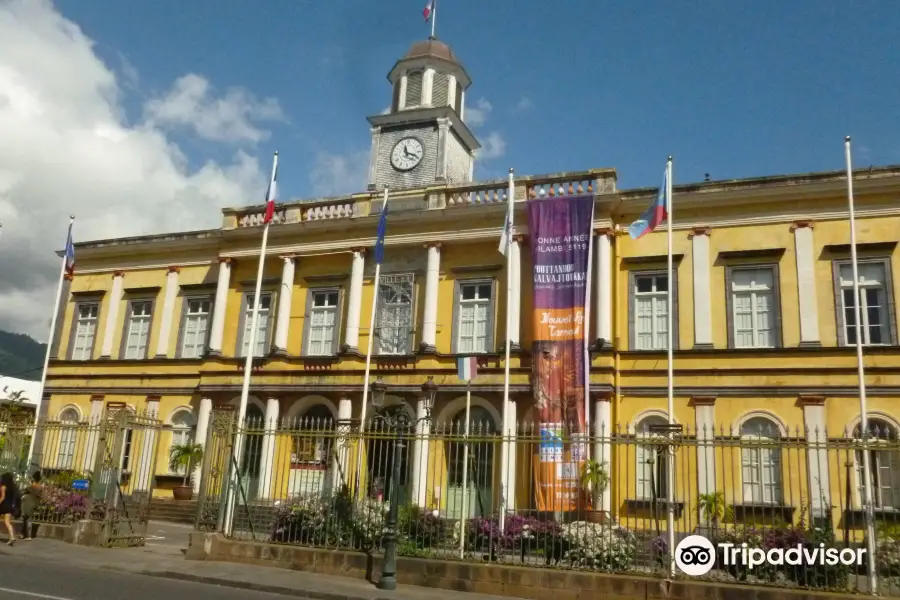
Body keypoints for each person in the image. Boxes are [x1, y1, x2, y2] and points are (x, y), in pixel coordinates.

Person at [20, 472, 42, 540]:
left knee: (27, 519)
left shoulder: (33, 486)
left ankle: (28, 535)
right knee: (26, 518)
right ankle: (24, 534)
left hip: (29, 503)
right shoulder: (40, 486)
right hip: (34, 503)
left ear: (34, 478)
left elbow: (24, 491)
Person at [0, 472, 19, 546]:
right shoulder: (12, 487)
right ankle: (12, 537)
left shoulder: (3, 487)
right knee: (7, 522)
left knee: (6, 522)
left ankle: (12, 538)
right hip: (9, 506)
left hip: (3, 506)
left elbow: (2, 497)